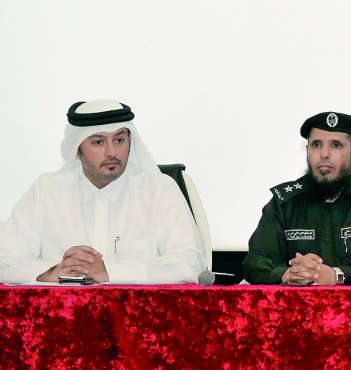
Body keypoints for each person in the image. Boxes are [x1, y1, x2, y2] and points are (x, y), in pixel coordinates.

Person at [0, 100, 205, 285]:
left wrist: (109, 272)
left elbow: (189, 265)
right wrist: (50, 272)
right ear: (77, 150)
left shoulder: (159, 190)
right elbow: (4, 258)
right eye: (98, 142)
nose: (112, 152)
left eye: (119, 140)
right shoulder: (46, 191)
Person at [243, 111, 351, 286]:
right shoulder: (285, 202)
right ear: (307, 151)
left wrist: (335, 276)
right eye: (316, 144)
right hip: (296, 309)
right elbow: (255, 261)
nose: (324, 154)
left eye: (336, 145)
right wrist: (288, 274)